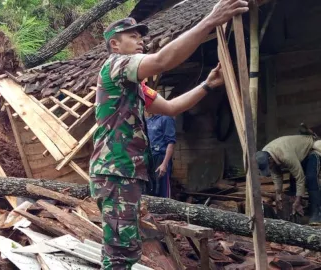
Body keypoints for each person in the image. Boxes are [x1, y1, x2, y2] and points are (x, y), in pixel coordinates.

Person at [88, 0, 249, 268]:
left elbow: (171, 107)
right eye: (132, 36)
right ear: (115, 44)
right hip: (115, 172)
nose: (140, 41)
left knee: (123, 248)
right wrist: (210, 21)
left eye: (141, 36)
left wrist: (207, 85)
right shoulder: (116, 65)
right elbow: (163, 60)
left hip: (124, 173)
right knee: (121, 252)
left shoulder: (135, 86)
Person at [256, 135, 321, 225]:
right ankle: (297, 212)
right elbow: (277, 175)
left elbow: (300, 177)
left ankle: (316, 213)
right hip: (298, 155)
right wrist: (278, 194)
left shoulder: (285, 155)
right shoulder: (265, 154)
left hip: (311, 149)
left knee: (311, 178)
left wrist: (298, 200)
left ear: (270, 159)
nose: (269, 168)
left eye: (269, 166)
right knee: (292, 184)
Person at [145, 110, 176, 198]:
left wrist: (164, 164)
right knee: (151, 189)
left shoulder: (166, 119)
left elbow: (171, 143)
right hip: (150, 157)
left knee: (163, 189)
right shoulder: (148, 121)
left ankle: (166, 211)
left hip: (161, 157)